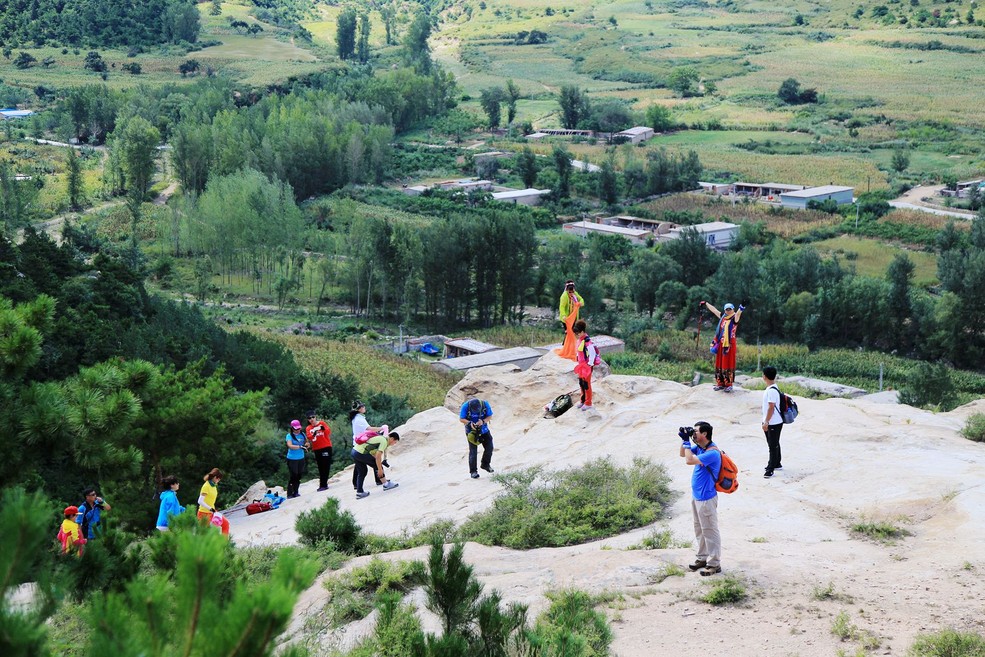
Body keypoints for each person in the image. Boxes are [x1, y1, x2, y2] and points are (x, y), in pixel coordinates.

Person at [679, 421, 722, 576]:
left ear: (705, 434)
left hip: (706, 498)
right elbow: (683, 454)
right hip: (697, 496)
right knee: (699, 529)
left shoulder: (712, 452)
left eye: (696, 431)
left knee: (709, 530)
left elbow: (689, 460)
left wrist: (686, 442)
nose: (694, 433)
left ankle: (714, 563)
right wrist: (685, 439)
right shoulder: (701, 448)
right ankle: (702, 558)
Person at [700, 301, 745, 392]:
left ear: (733, 309)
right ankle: (720, 383)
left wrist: (741, 308)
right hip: (721, 343)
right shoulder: (723, 317)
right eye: (726, 309)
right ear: (725, 310)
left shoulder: (734, 318)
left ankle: (728, 384)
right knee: (719, 362)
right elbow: (714, 310)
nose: (728, 311)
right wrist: (706, 303)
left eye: (730, 309)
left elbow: (738, 314)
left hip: (729, 344)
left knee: (728, 363)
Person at [351, 429, 400, 499]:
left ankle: (359, 492)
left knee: (362, 472)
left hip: (354, 451)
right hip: (360, 453)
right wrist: (379, 469)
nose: (393, 444)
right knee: (378, 466)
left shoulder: (380, 438)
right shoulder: (384, 441)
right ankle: (386, 484)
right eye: (394, 442)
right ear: (391, 438)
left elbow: (373, 453)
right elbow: (378, 456)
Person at [349, 400, 385, 489]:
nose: (364, 407)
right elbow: (369, 429)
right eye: (363, 406)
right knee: (374, 462)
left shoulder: (357, 417)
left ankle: (356, 484)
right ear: (359, 409)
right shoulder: (359, 419)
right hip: (361, 444)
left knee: (359, 465)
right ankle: (380, 480)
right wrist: (381, 428)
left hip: (359, 443)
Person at [459, 398, 494, 479]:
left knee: (490, 447)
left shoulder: (485, 404)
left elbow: (490, 416)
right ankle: (473, 472)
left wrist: (483, 421)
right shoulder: (465, 406)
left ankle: (485, 464)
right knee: (473, 451)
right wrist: (469, 423)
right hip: (471, 432)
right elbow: (461, 419)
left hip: (484, 430)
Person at [761, 366, 784, 478]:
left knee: (772, 445)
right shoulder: (772, 388)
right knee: (774, 443)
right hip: (772, 421)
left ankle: (770, 469)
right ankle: (777, 463)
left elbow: (771, 407)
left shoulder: (771, 391)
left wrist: (766, 422)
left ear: (764, 376)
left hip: (773, 422)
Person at [573, 319, 599, 410]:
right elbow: (578, 351)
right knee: (581, 383)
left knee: (586, 384)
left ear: (582, 332)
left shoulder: (588, 342)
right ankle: (583, 400)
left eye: (578, 333)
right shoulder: (580, 340)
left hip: (587, 366)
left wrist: (589, 364)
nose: (577, 335)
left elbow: (592, 354)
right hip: (581, 365)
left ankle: (588, 403)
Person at [555, 280, 585, 361]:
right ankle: (566, 348)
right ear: (567, 290)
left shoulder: (575, 294)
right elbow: (561, 307)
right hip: (566, 319)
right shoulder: (564, 296)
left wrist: (580, 303)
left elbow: (581, 299)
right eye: (570, 292)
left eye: (572, 291)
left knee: (571, 332)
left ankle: (568, 348)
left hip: (574, 317)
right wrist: (564, 316)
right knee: (569, 332)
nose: (571, 293)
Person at [197, 468, 230, 535]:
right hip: (204, 513)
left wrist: (212, 510)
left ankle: (225, 544)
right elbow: (200, 501)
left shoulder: (214, 486)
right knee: (204, 535)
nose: (219, 480)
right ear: (215, 477)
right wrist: (210, 509)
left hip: (212, 512)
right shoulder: (206, 486)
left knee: (225, 524)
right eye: (218, 479)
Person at [306, 410, 333, 492]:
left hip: (326, 446)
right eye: (309, 418)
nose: (312, 419)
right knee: (320, 466)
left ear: (315, 417)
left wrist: (322, 428)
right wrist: (314, 432)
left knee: (326, 465)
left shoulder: (322, 423)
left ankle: (324, 484)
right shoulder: (308, 428)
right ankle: (323, 484)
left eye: (313, 417)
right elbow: (310, 437)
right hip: (317, 448)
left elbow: (328, 432)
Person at [285, 420, 310, 499]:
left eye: (299, 428)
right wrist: (300, 447)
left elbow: (307, 443)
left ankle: (296, 491)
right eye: (296, 429)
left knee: (299, 475)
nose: (298, 430)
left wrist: (306, 445)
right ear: (292, 428)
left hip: (301, 458)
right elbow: (290, 445)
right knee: (293, 475)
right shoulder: (289, 436)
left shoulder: (302, 434)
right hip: (292, 458)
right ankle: (290, 493)